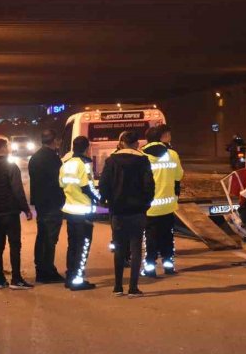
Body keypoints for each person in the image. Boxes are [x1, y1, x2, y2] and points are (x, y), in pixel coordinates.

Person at [99, 131, 155, 297]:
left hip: (117, 210)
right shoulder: (143, 160)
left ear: (122, 143)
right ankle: (133, 287)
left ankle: (117, 287)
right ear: (137, 144)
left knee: (119, 247)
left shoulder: (111, 160)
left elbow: (104, 184)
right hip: (137, 210)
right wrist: (146, 202)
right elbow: (149, 185)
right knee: (136, 247)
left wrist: (106, 200)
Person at [0, 138, 34, 289]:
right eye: (7, 146)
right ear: (4, 149)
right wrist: (26, 209)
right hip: (10, 212)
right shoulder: (11, 167)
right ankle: (16, 279)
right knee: (14, 245)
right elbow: (18, 191)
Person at [141, 125, 184, 276]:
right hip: (168, 205)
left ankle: (150, 268)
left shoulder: (141, 155)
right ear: (163, 136)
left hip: (149, 206)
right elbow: (178, 176)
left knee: (150, 238)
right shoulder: (172, 154)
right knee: (167, 236)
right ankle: (168, 266)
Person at [60, 136, 101, 291]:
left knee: (73, 246)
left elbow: (61, 184)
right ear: (86, 148)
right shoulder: (84, 165)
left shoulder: (66, 164)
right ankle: (78, 280)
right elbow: (87, 187)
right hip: (83, 212)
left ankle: (70, 277)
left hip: (70, 211)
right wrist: (99, 198)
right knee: (83, 246)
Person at [28, 129, 66, 284]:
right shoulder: (53, 158)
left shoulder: (35, 158)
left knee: (42, 236)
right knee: (50, 238)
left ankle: (41, 268)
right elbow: (59, 182)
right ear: (55, 141)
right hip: (52, 203)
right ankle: (47, 271)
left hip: (41, 203)